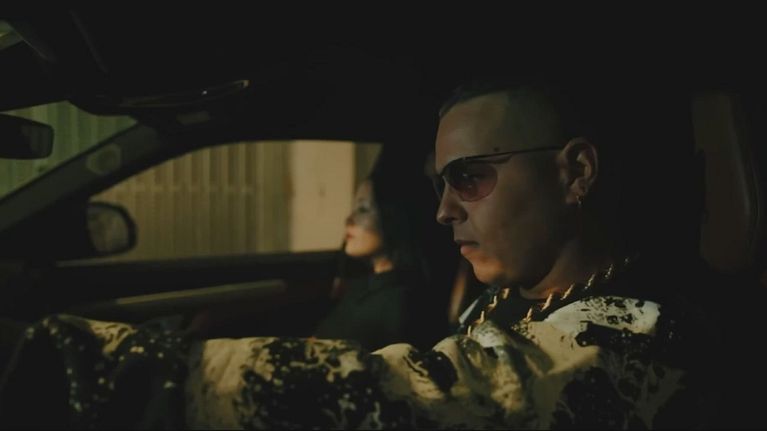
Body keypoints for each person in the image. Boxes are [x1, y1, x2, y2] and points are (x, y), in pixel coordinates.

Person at [0, 78, 719, 429]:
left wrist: (52, 365)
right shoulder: (503, 298)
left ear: (575, 172)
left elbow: (407, 397)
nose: (444, 210)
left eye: (470, 176)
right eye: (439, 184)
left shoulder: (641, 336)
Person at [314, 162, 454, 350]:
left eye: (363, 209)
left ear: (394, 216)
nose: (349, 219)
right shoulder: (365, 286)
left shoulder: (400, 304)